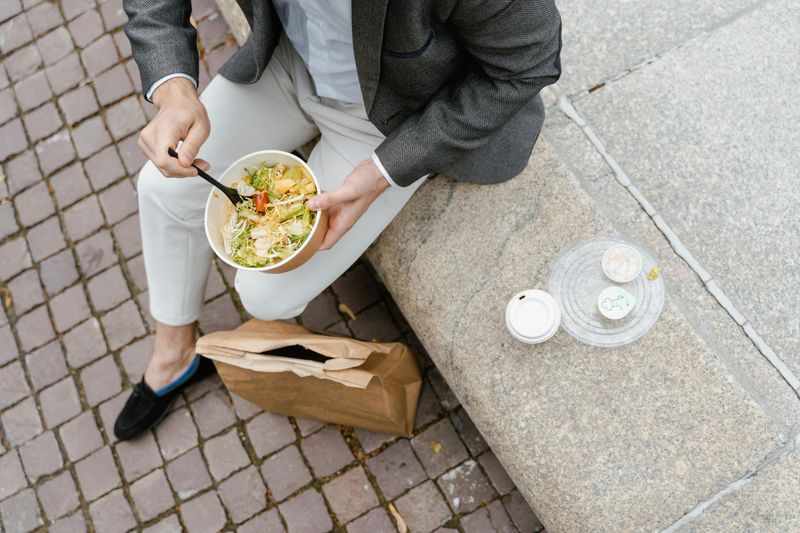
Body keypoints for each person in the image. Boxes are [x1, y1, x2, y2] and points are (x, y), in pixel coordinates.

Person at [114, 0, 562, 440]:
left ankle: (413, 168)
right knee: (161, 186)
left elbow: (530, 62)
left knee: (264, 295)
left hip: (397, 116)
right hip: (288, 59)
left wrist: (388, 168)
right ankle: (174, 350)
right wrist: (173, 90)